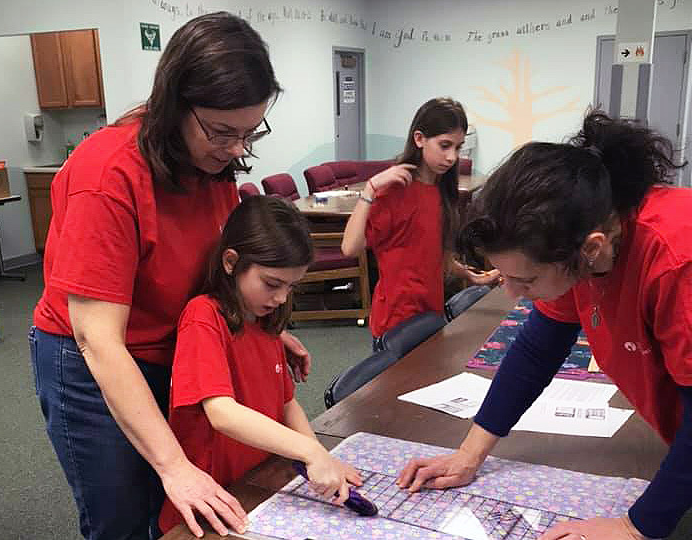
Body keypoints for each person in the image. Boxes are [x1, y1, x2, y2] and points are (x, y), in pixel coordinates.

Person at [29, 13, 312, 540]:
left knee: (186, 512)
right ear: (174, 104)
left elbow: (215, 268)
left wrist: (256, 327)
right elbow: (98, 340)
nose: (236, 151)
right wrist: (174, 465)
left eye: (250, 133)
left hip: (175, 344)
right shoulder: (107, 175)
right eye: (223, 132)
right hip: (93, 360)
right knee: (125, 515)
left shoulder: (208, 162)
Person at [397, 110, 692, 540]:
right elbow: (539, 348)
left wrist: (636, 527)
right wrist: (468, 455)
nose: (514, 294)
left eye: (526, 280)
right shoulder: (582, 232)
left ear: (591, 248)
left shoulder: (675, 260)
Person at [159, 195, 362, 532]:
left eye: (291, 286)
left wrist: (318, 456)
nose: (281, 297)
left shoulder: (267, 320)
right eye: (272, 284)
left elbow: (287, 403)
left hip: (255, 489)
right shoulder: (203, 317)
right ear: (230, 262)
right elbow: (222, 413)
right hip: (209, 507)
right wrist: (309, 451)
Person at [341, 98, 499, 350]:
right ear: (419, 139)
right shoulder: (394, 190)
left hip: (430, 313)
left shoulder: (442, 191)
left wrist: (471, 275)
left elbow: (434, 254)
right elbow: (350, 248)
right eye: (444, 145)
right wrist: (370, 189)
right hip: (396, 320)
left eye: (458, 148)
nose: (451, 157)